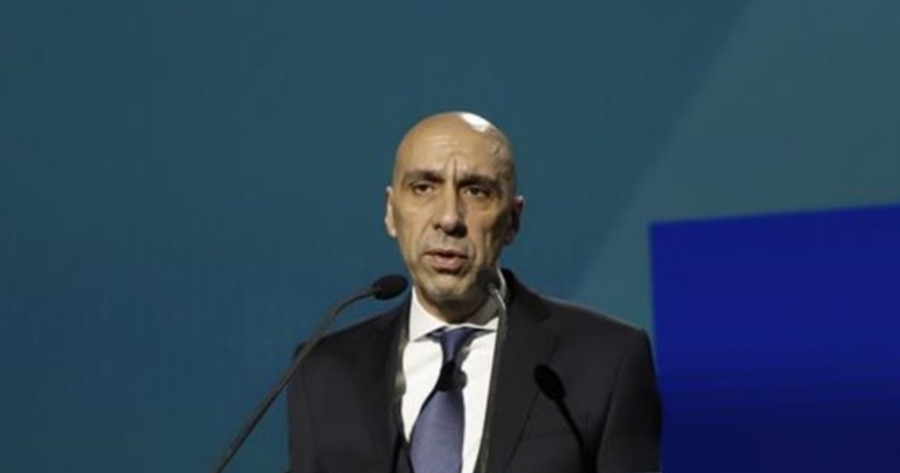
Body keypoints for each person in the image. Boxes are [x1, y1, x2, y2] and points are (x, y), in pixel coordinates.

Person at [287, 112, 661, 473]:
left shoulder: (605, 360)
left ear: (512, 220)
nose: (449, 218)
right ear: (390, 211)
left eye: (476, 191)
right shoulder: (322, 372)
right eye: (423, 188)